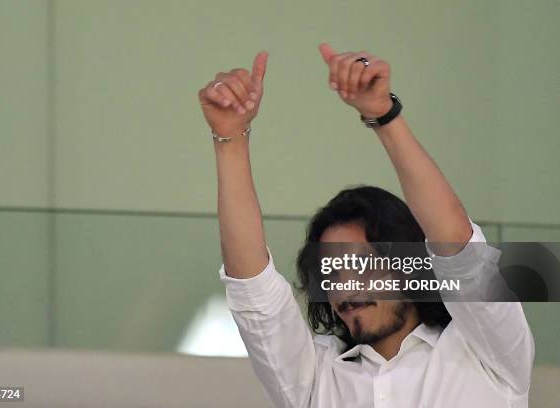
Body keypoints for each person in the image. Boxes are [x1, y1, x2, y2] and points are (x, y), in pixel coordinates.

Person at [197, 44, 534, 408]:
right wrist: (230, 139)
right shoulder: (313, 376)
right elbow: (253, 293)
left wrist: (384, 116)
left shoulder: (486, 351)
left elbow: (457, 248)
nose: (346, 288)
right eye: (333, 275)